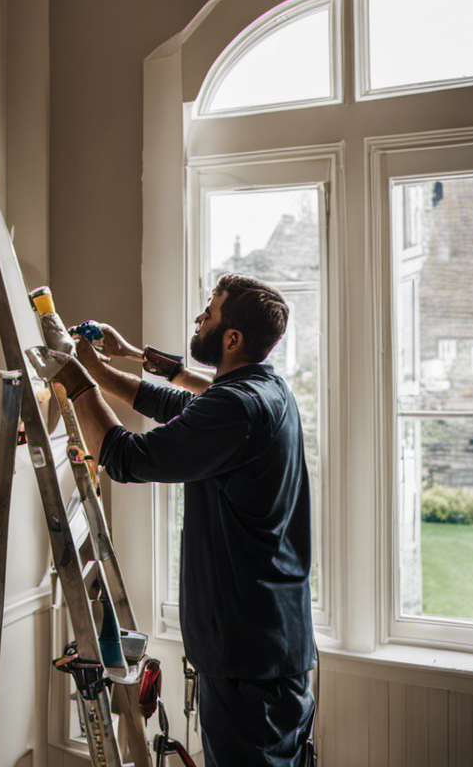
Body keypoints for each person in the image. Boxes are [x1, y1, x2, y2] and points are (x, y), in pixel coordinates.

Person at [29, 273, 316, 767]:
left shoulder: (239, 407)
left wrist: (75, 379)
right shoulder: (267, 388)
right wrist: (107, 365)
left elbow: (123, 457)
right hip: (268, 644)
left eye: (211, 312)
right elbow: (176, 402)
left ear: (232, 339)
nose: (199, 317)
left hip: (248, 655)